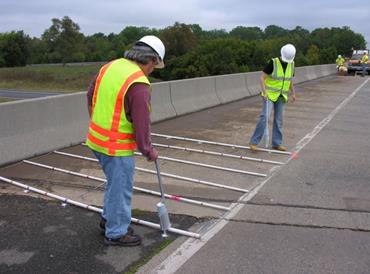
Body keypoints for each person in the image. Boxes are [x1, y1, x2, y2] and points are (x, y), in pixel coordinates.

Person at [86, 35, 165, 246]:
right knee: (121, 189)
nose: (152, 71)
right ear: (151, 60)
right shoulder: (138, 83)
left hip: (96, 140)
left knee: (114, 184)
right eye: (154, 66)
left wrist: (96, 119)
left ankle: (108, 219)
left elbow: (91, 94)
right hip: (116, 147)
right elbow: (142, 124)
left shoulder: (110, 66)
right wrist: (148, 150)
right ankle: (116, 232)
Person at [249, 43, 296, 152]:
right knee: (264, 117)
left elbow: (289, 80)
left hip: (282, 96)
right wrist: (264, 92)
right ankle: (254, 142)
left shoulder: (292, 64)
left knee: (279, 120)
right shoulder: (273, 62)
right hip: (269, 95)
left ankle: (277, 143)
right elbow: (262, 78)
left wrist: (293, 93)